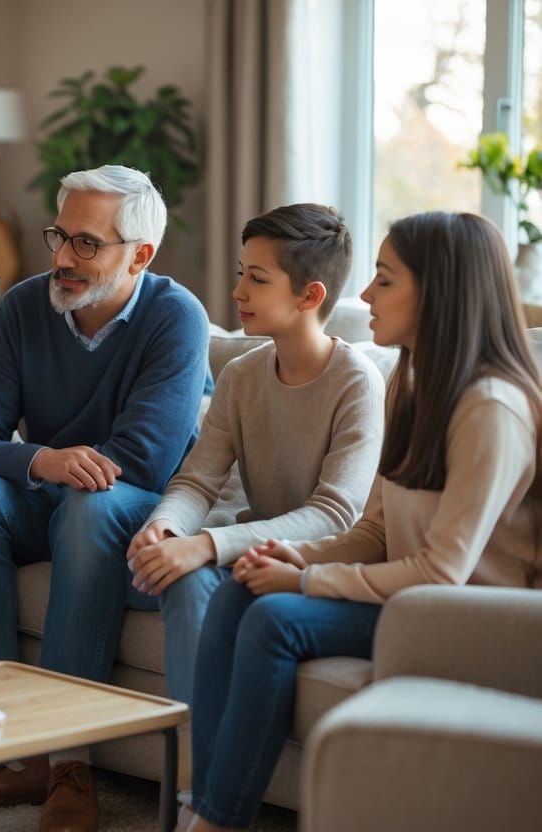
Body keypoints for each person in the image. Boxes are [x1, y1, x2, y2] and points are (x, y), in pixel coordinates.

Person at [180, 211, 542, 832]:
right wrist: (300, 558)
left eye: (384, 280)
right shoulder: (408, 379)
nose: (366, 295)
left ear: (439, 291)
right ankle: (203, 804)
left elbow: (442, 571)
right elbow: (374, 532)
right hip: (419, 604)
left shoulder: (491, 409)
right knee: (240, 588)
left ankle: (219, 823)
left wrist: (305, 586)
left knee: (274, 619)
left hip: (480, 619)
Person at [0, 164, 210, 832]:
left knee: (92, 506)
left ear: (138, 255)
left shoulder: (175, 317)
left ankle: (67, 760)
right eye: (59, 235)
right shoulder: (25, 306)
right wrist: (44, 459)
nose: (61, 257)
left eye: (86, 243)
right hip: (53, 494)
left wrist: (63, 472)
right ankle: (4, 740)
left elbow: (143, 460)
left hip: (131, 511)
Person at [127, 204, 384, 709]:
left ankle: (201, 783)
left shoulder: (358, 381)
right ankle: (192, 778)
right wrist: (167, 529)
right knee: (178, 574)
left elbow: (334, 517)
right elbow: (197, 482)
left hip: (308, 565)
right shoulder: (241, 375)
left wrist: (205, 544)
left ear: (311, 295)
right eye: (242, 274)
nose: (238, 292)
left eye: (258, 280)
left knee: (193, 565)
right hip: (248, 553)